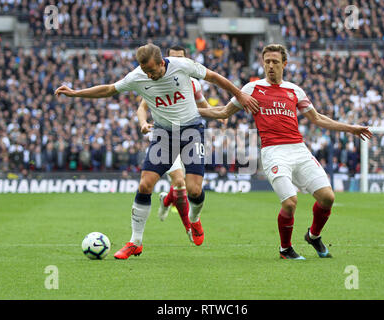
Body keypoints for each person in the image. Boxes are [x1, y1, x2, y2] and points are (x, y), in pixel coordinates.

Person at [55, 43, 258, 260]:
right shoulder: (138, 76)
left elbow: (215, 77)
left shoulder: (182, 66)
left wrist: (239, 94)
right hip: (163, 135)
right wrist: (76, 93)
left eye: (152, 70)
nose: (150, 75)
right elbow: (108, 89)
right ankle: (135, 242)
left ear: (162, 63)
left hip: (191, 130)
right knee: (145, 184)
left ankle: (194, 219)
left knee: (194, 190)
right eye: (146, 72)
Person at [198, 44, 372, 260]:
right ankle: (285, 249)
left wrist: (351, 128)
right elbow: (223, 111)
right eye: (267, 62)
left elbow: (317, 118)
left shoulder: (294, 90)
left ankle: (313, 236)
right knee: (290, 202)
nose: (270, 66)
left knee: (327, 197)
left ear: (284, 64)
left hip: (299, 150)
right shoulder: (252, 89)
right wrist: (190, 110)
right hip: (273, 152)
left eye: (275, 62)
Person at [136, 45, 214, 243]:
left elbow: (203, 105)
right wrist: (144, 123)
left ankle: (167, 199)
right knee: (179, 182)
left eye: (180, 57)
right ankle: (190, 228)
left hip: (189, 135)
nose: (177, 60)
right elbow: (142, 108)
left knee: (189, 187)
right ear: (165, 60)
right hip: (166, 136)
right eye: (173, 57)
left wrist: (221, 114)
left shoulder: (193, 83)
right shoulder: (155, 80)